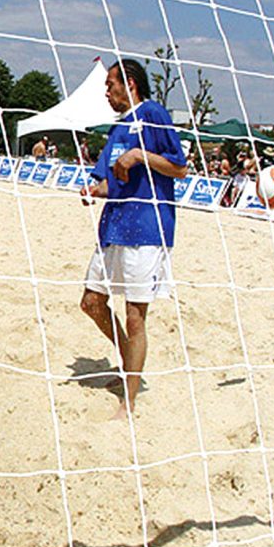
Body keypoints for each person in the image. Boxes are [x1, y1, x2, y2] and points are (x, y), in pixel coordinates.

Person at [78, 58, 186, 420]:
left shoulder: (152, 113)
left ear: (131, 84)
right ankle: (128, 362)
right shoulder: (116, 128)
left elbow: (180, 168)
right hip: (114, 227)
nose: (107, 92)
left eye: (111, 85)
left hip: (147, 228)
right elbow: (114, 182)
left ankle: (129, 400)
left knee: (135, 316)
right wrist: (95, 189)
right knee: (91, 302)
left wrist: (140, 155)